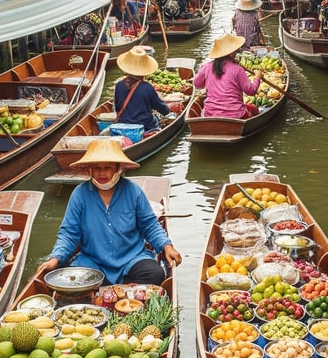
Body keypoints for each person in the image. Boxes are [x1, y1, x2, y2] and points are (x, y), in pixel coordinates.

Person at [36, 138, 181, 285]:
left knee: (155, 273)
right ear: (89, 170)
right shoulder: (79, 194)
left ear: (119, 169)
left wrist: (166, 246)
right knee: (74, 280)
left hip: (131, 258)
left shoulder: (133, 192)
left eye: (107, 168)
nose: (101, 173)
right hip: (93, 261)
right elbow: (69, 233)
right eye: (97, 168)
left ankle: (116, 288)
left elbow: (150, 225)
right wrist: (56, 258)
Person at [194, 33, 263, 119]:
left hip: (211, 114)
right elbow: (251, 91)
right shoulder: (237, 69)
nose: (236, 51)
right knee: (255, 110)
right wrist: (257, 77)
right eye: (235, 50)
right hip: (236, 115)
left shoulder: (206, 67)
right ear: (231, 53)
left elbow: (197, 84)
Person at [112, 47, 170, 132]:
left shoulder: (119, 85)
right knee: (157, 120)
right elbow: (163, 110)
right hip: (145, 127)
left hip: (123, 125)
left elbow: (117, 108)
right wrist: (166, 107)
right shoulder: (147, 88)